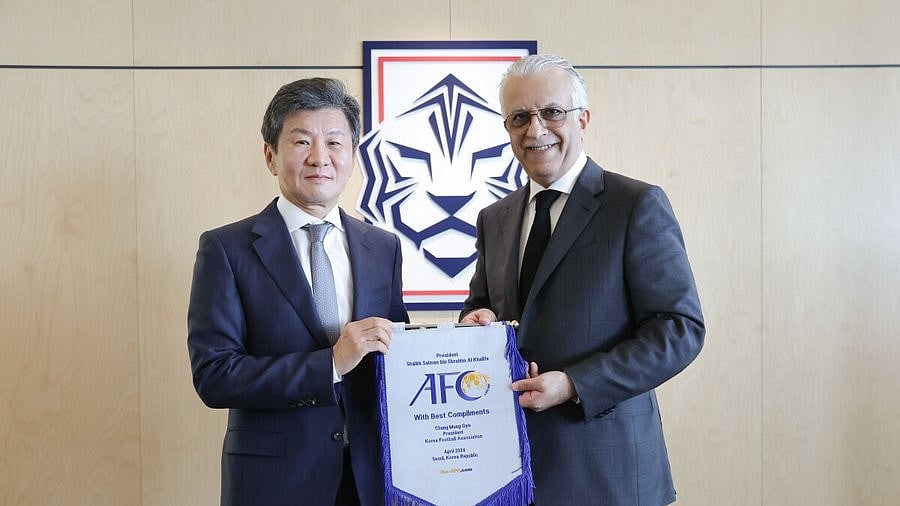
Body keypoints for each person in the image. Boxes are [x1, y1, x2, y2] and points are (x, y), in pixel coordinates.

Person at [460, 54, 705, 505]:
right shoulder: (493, 218)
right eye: (519, 117)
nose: (535, 130)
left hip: (605, 473)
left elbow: (680, 330)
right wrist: (474, 324)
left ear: (583, 118)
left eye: (552, 112)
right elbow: (483, 308)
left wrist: (575, 383)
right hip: (507, 471)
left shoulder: (635, 204)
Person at [188, 77, 409, 506]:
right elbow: (214, 376)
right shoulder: (226, 249)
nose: (319, 158)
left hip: (372, 479)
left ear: (353, 156)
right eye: (301, 141)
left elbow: (393, 352)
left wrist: (468, 339)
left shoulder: (383, 247)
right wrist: (330, 364)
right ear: (270, 156)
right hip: (275, 482)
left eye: (334, 142)